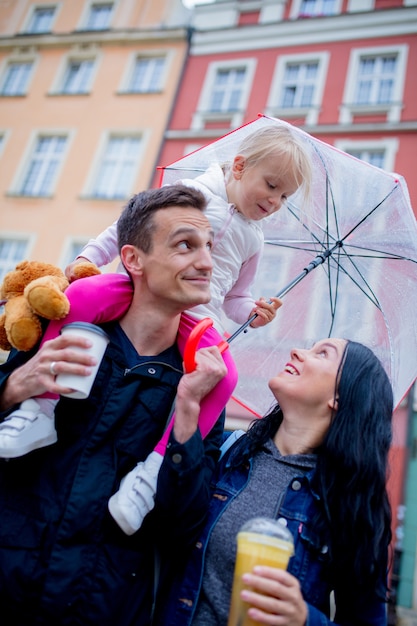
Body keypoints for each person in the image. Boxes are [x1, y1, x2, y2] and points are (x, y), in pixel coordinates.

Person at [0, 124, 311, 531]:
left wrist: (253, 311)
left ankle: (154, 468)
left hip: (200, 317)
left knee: (225, 377)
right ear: (238, 166)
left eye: (285, 196)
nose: (275, 201)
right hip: (138, 290)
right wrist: (84, 259)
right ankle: (41, 408)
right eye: (271, 186)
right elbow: (123, 232)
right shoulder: (195, 195)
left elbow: (235, 298)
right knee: (83, 296)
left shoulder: (255, 238)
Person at [0, 185, 234, 626]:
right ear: (133, 259)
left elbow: (184, 527)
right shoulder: (59, 331)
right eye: (186, 245)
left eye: (209, 247)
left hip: (103, 607)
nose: (206, 262)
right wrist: (15, 386)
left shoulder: (203, 385)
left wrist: (185, 413)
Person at [161, 338, 394, 626]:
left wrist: (305, 620)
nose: (297, 351)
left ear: (340, 397)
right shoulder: (227, 453)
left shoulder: (352, 506)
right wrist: (188, 409)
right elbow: (166, 524)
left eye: (322, 354)